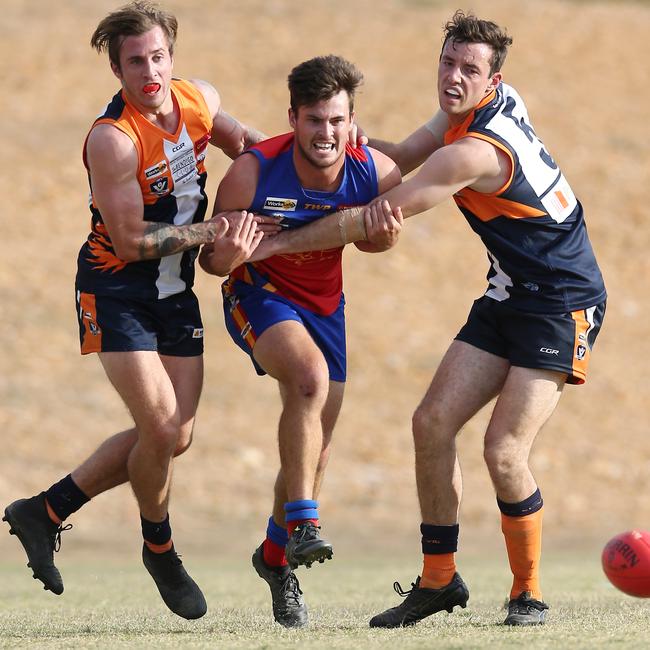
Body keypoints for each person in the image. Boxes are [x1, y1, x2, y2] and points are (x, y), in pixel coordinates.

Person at [245, 11, 607, 627]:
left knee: (504, 449)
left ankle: (528, 593)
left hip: (562, 301)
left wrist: (275, 243)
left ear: (495, 78)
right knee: (431, 423)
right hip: (511, 292)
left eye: (470, 69)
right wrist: (316, 149)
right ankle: (440, 580)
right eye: (448, 62)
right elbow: (402, 156)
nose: (454, 77)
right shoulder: (471, 111)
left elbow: (376, 213)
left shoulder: (476, 151)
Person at [2, 0, 271, 620]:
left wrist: (322, 158)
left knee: (178, 435)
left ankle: (44, 511)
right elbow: (129, 242)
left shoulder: (198, 100)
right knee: (159, 426)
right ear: (117, 70)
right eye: (134, 62)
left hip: (176, 292)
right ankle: (160, 548)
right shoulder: (114, 139)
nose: (148, 71)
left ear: (172, 56)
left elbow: (252, 147)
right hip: (115, 290)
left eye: (157, 57)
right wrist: (214, 233)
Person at [199, 54, 402, 628]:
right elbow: (212, 260)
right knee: (308, 380)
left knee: (317, 446)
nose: (327, 133)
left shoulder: (373, 172)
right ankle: (306, 522)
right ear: (293, 118)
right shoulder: (253, 171)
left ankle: (274, 558)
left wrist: (382, 237)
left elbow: (373, 243)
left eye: (337, 120)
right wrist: (227, 254)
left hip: (325, 305)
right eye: (315, 120)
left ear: (352, 120)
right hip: (258, 294)